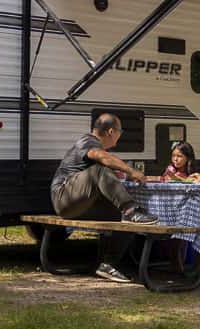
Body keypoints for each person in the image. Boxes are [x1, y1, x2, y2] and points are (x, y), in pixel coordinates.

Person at [51, 113, 159, 282]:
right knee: (100, 170)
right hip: (63, 198)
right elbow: (102, 159)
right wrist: (131, 170)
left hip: (80, 204)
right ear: (111, 131)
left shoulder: (95, 148)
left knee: (123, 220)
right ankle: (131, 210)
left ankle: (107, 265)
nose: (119, 136)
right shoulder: (88, 142)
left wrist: (129, 176)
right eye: (120, 132)